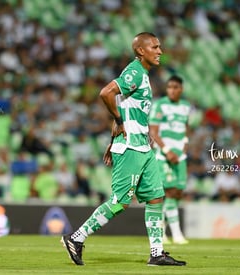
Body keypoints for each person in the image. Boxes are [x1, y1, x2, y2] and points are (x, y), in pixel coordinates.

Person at [61, 32, 186, 266]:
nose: (160, 51)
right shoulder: (134, 72)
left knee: (156, 197)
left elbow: (122, 105)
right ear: (141, 50)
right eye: (155, 47)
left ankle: (157, 253)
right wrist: (119, 124)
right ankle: (76, 238)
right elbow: (106, 93)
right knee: (120, 202)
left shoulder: (144, 75)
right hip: (130, 147)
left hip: (143, 147)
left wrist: (113, 135)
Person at [149, 75, 190, 244]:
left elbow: (185, 129)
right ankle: (174, 233)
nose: (172, 90)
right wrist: (167, 151)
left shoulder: (186, 107)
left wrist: (184, 146)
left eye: (175, 87)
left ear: (181, 89)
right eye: (169, 87)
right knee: (167, 191)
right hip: (164, 155)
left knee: (178, 192)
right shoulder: (160, 105)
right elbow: (153, 131)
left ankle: (167, 231)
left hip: (180, 155)